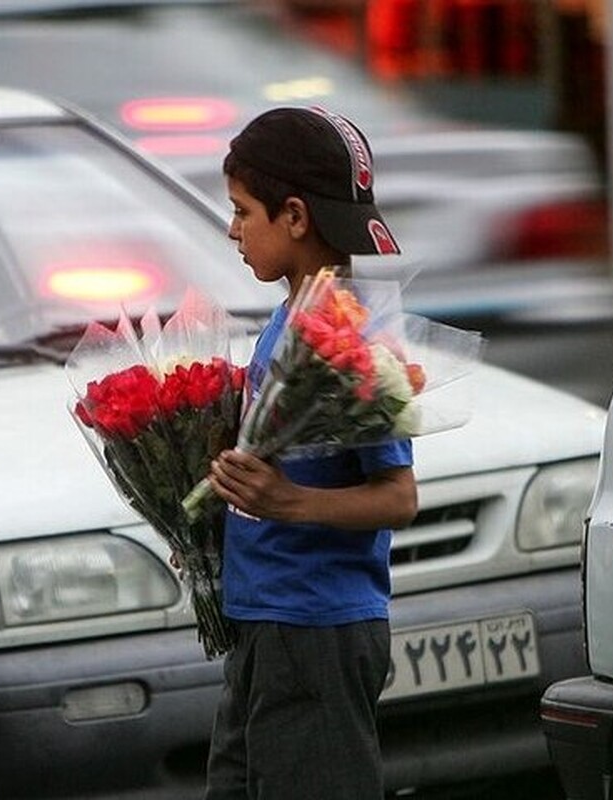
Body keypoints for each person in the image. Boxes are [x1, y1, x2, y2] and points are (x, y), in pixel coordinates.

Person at [201, 106, 416, 800]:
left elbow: (397, 495)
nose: (232, 229)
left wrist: (288, 501)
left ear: (294, 216)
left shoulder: (352, 334)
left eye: (242, 211)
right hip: (266, 620)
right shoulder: (292, 314)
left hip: (314, 630)